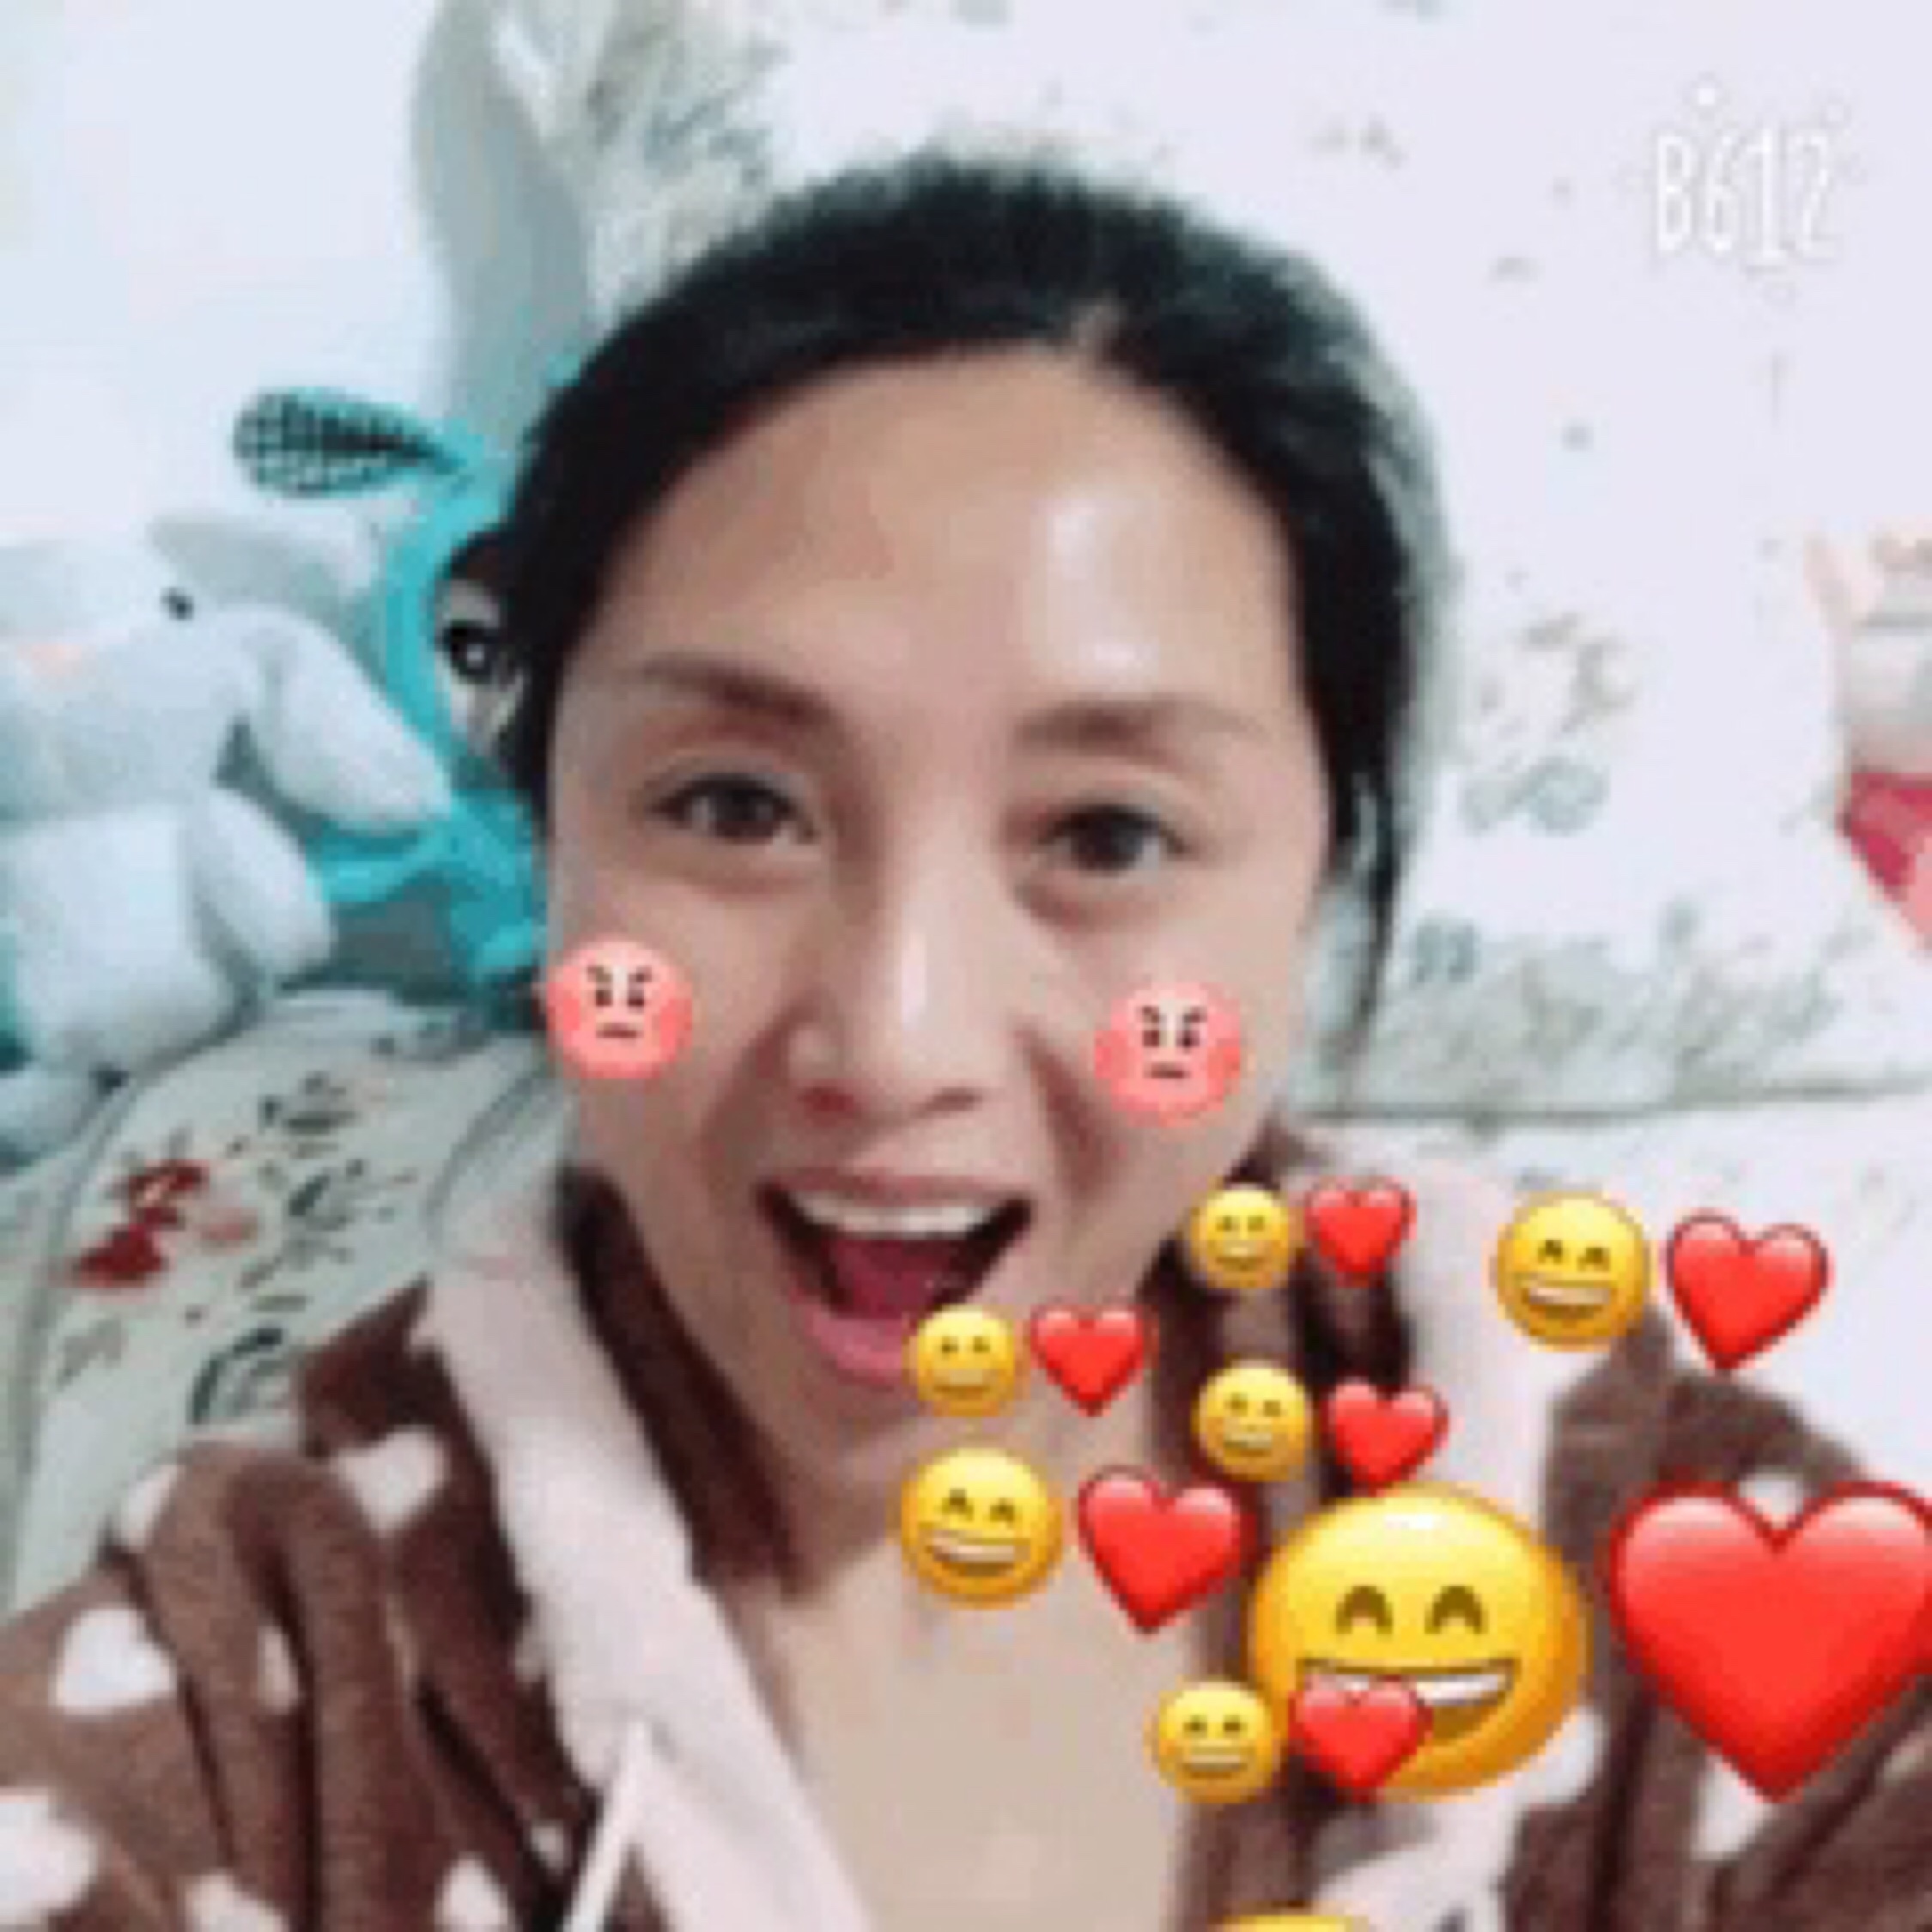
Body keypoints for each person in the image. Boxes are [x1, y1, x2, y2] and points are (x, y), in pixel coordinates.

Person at [0, 152, 1925, 1932]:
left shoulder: (1654, 1561)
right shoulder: (272, 1681)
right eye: (734, 805)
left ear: (1310, 896)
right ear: (551, 836)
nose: (893, 1037)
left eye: (1107, 836)